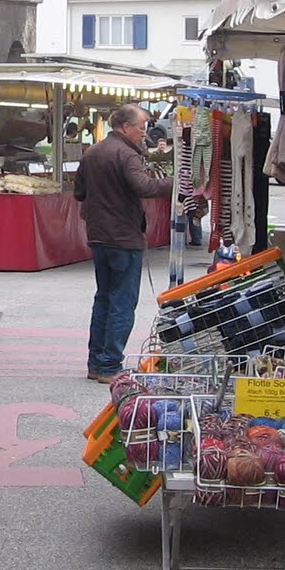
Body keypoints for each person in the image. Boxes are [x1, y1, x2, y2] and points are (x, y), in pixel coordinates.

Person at [74, 104, 173, 382]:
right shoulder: (127, 154)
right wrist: (177, 182)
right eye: (142, 126)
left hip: (98, 235)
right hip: (123, 237)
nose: (145, 132)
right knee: (122, 301)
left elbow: (80, 192)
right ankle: (109, 366)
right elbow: (145, 187)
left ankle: (96, 363)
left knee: (104, 298)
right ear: (125, 127)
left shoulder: (93, 151)